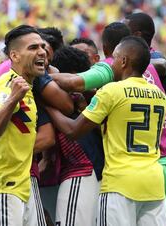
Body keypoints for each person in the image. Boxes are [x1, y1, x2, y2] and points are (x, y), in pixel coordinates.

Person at [46, 36, 166, 226]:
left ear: (124, 61)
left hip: (120, 183)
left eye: (114, 58)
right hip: (154, 183)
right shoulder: (160, 95)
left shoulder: (111, 91)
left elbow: (72, 131)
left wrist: (48, 105)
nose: (110, 64)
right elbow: (120, 119)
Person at [0, 24, 46, 226]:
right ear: (14, 56)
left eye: (42, 46)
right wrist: (13, 99)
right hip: (2, 185)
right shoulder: (7, 83)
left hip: (18, 186)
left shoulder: (25, 88)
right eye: (33, 48)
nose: (41, 51)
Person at [124, 12, 166, 226]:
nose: (121, 32)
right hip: (147, 157)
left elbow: (161, 64)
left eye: (125, 27)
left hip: (165, 154)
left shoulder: (155, 60)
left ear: (137, 34)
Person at [50, 46, 101, 226]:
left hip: (81, 173)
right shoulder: (90, 101)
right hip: (88, 174)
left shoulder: (75, 101)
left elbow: (71, 131)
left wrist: (48, 106)